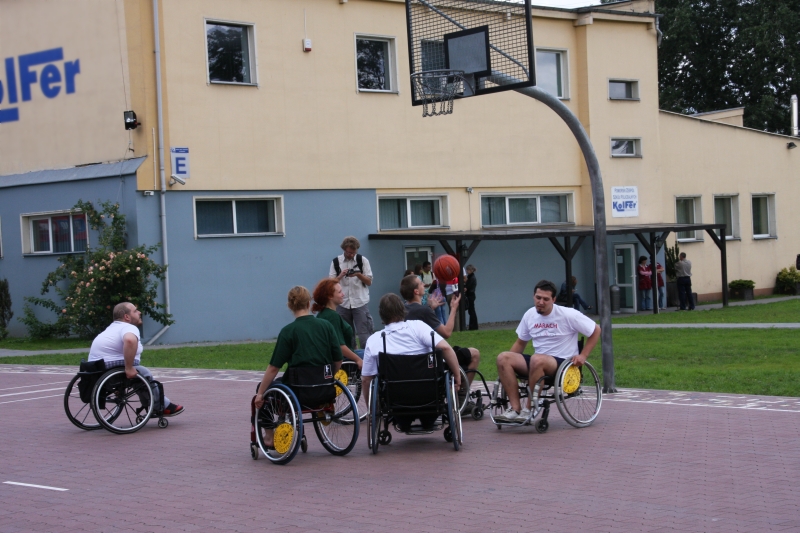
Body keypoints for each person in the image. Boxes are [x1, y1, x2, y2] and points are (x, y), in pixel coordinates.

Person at [494, 280, 600, 422]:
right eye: (538, 298)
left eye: (545, 299)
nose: (541, 302)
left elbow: (596, 330)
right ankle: (514, 409)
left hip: (562, 363)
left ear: (553, 300)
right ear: (533, 296)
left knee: (537, 359)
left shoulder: (568, 314)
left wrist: (583, 355)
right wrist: (509, 368)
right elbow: (520, 342)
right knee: (503, 357)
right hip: (537, 361)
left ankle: (529, 409)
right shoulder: (530, 314)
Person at [254, 286, 343, 446]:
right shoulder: (326, 326)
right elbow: (338, 360)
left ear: (290, 306)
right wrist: (328, 377)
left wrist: (260, 393)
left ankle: (269, 437)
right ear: (309, 303)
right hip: (324, 388)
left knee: (265, 389)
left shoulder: (288, 331)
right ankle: (321, 407)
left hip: (298, 390)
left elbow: (274, 368)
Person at [361, 293, 461, 432]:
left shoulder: (374, 340)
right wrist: (457, 375)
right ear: (403, 309)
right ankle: (428, 421)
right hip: (430, 397)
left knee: (399, 413)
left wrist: (371, 410)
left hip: (396, 401)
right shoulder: (418, 327)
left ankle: (405, 423)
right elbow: (445, 348)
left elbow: (366, 379)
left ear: (382, 315)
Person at [88, 302, 183, 416]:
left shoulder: (110, 329)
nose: (139, 312)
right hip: (113, 373)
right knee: (144, 373)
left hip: (98, 372)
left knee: (138, 376)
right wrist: (128, 368)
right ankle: (162, 406)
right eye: (135, 311)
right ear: (127, 317)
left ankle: (149, 404)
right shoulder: (129, 327)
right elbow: (130, 340)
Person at [399, 275, 480, 389]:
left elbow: (417, 316)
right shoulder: (424, 311)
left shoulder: (401, 311)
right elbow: (447, 332)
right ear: (416, 291)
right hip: (430, 362)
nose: (424, 284)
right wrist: (453, 309)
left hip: (409, 363)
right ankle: (462, 395)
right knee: (474, 353)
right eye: (421, 283)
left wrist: (430, 308)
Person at [329, 236, 374, 348]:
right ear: (344, 249)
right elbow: (330, 284)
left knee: (364, 335)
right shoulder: (336, 262)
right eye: (349, 252)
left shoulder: (363, 260)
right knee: (347, 336)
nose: (351, 255)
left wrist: (358, 274)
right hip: (342, 303)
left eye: (353, 253)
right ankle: (351, 356)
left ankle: (367, 355)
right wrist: (341, 275)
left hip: (360, 302)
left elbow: (369, 282)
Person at [313, 278, 363, 369]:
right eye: (340, 292)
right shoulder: (332, 317)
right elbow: (340, 347)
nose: (343, 294)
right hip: (342, 360)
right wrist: (358, 359)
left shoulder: (323, 314)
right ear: (330, 296)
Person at [464, 265, 478, 330]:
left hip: (470, 295)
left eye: (468, 270)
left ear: (471, 270)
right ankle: (473, 326)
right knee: (471, 311)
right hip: (471, 295)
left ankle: (473, 326)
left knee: (471, 311)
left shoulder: (471, 278)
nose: (467, 271)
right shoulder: (471, 277)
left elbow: (467, 287)